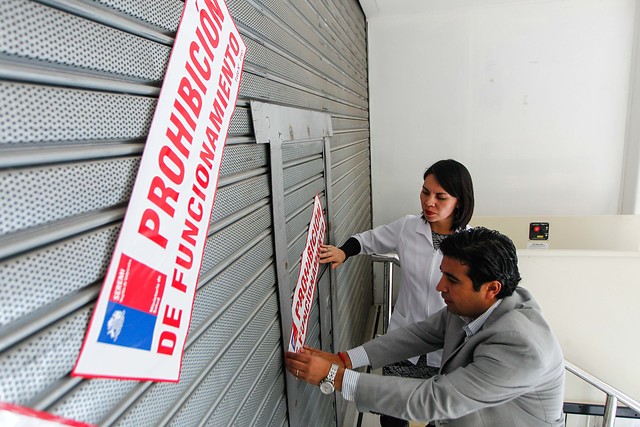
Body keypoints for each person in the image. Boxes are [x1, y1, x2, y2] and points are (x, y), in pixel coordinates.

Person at [286, 227, 566, 427]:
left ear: (491, 288)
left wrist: (336, 377)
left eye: (452, 280)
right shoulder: (475, 305)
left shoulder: (522, 347)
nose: (439, 286)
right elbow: (420, 334)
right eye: (442, 274)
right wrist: (346, 360)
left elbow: (435, 398)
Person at [319, 159, 474, 427]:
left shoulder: (472, 244)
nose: (429, 202)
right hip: (405, 337)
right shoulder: (407, 227)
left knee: (436, 415)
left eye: (441, 196)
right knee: (391, 414)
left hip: (447, 346)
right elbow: (367, 240)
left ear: (459, 201)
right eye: (425, 191)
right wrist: (343, 251)